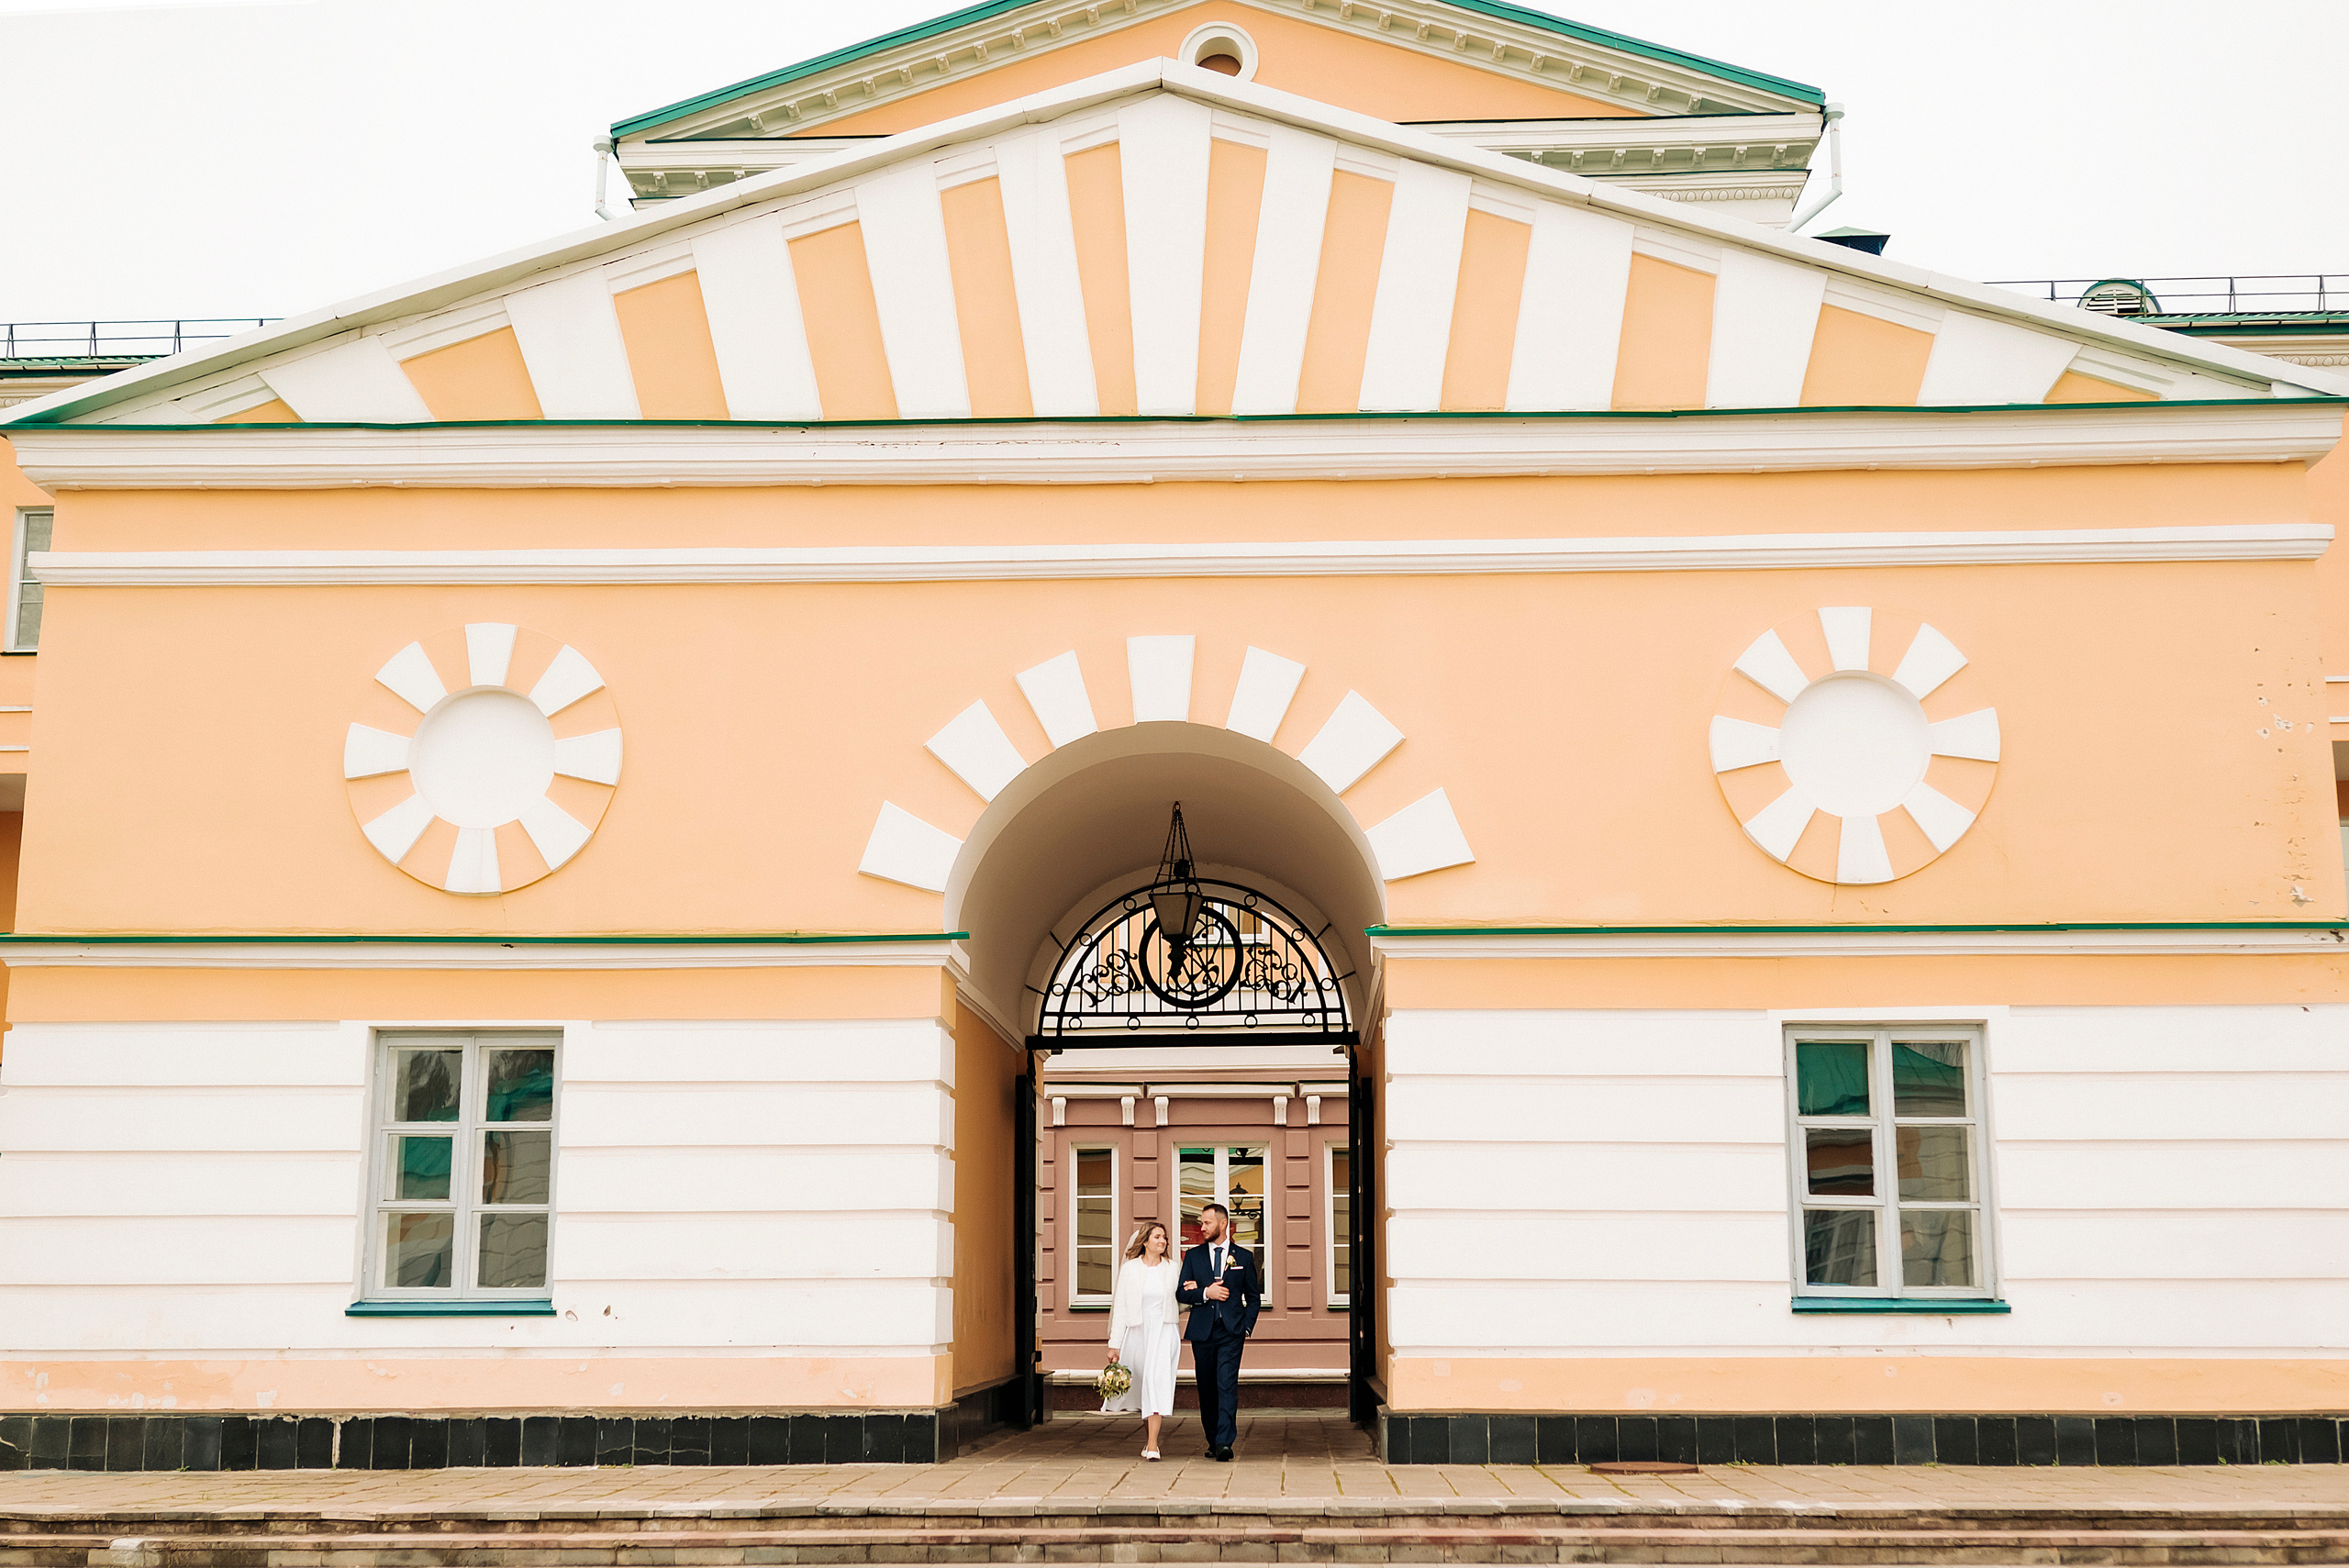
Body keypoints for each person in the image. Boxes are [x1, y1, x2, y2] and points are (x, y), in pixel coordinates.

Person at [1176, 1200, 1260, 1462]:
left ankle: (1225, 1442)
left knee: (1226, 1385)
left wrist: (1246, 1327)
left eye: (1207, 1222)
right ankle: (1212, 1439)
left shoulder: (1244, 1257)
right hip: (1202, 1332)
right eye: (1201, 1223)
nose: (1201, 1227)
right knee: (1207, 1388)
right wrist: (1204, 1292)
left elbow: (1253, 1298)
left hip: (1231, 1332)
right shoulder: (1193, 1256)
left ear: (1223, 1224)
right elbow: (1181, 1293)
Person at [1101, 1219, 1184, 1460]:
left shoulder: (1172, 1268)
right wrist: (1114, 1345)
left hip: (1165, 1331)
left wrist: (1192, 1290)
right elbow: (1121, 1309)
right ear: (1145, 1240)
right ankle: (1150, 1440)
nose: (1163, 1241)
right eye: (1157, 1237)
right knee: (1144, 1386)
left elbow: (1181, 1301)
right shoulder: (1130, 1270)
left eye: (1164, 1237)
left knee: (1156, 1382)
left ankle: (1153, 1444)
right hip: (1138, 1333)